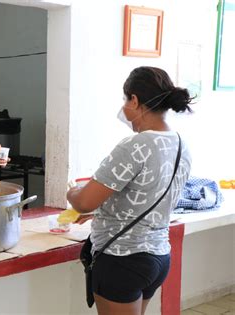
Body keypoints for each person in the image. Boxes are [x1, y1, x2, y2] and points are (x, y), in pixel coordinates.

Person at [66, 66, 193, 314]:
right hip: (158, 257)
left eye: (125, 99)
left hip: (122, 258)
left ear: (134, 100)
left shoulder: (136, 145)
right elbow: (149, 194)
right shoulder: (180, 144)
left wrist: (72, 192)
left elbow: (83, 203)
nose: (124, 107)